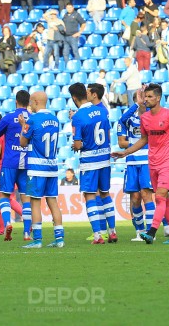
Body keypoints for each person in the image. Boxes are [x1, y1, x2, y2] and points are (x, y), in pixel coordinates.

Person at [112, 84, 169, 244]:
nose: (147, 99)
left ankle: (151, 231)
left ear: (158, 98)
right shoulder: (145, 118)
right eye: (146, 96)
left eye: (150, 97)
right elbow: (144, 139)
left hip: (168, 162)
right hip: (153, 163)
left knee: (159, 197)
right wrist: (125, 152)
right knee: (164, 199)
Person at [69, 83, 116, 244]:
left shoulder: (77, 117)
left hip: (90, 161)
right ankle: (113, 231)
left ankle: (97, 235)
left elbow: (78, 144)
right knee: (105, 194)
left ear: (74, 98)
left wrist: (74, 145)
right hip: (104, 158)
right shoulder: (103, 110)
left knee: (89, 196)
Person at [18, 91, 64, 248]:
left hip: (37, 168)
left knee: (35, 203)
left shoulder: (32, 120)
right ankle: (60, 239)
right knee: (53, 201)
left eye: (31, 102)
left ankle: (37, 239)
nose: (29, 104)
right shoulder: (55, 120)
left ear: (36, 102)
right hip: (52, 166)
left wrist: (23, 125)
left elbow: (23, 142)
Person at [0, 90, 32, 241]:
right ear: (29, 102)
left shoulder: (8, 118)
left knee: (4, 195)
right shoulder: (32, 118)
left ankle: (7, 222)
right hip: (27, 163)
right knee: (26, 198)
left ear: (16, 101)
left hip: (9, 163)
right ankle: (27, 232)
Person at [118, 89, 155, 241]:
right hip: (132, 161)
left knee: (147, 195)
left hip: (147, 161)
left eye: (146, 98)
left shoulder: (151, 116)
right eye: (141, 98)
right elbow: (121, 120)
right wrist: (136, 105)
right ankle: (139, 232)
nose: (144, 100)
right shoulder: (129, 118)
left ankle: (150, 231)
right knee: (134, 198)